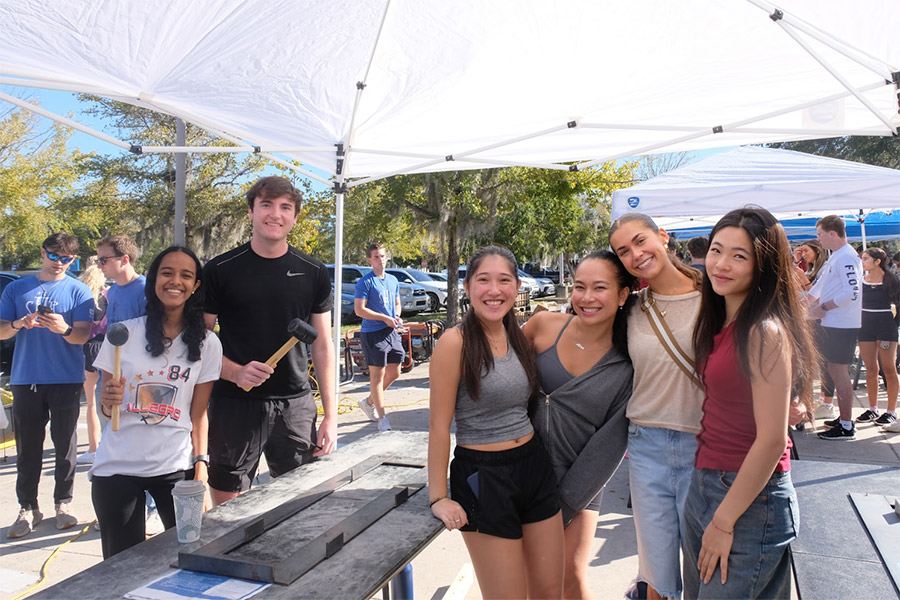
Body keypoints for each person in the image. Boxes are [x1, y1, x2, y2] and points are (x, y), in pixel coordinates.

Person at [683, 207, 816, 598]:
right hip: (705, 483)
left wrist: (724, 521)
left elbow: (772, 440)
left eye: (739, 256)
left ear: (763, 265)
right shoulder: (719, 322)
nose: (721, 264)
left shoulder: (764, 331)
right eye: (716, 250)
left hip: (749, 500)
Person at [427, 245, 564, 599]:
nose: (494, 290)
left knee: (550, 591)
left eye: (504, 280)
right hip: (483, 478)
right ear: (469, 286)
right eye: (483, 280)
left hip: (534, 467)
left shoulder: (519, 336)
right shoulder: (454, 343)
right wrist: (438, 496)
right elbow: (439, 426)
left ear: (516, 287)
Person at [203, 175, 337, 507]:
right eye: (266, 205)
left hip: (295, 404)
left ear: (294, 216)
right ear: (251, 211)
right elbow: (197, 340)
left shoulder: (314, 271)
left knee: (299, 504)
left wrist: (332, 415)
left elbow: (322, 344)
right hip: (234, 404)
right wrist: (234, 372)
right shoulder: (220, 269)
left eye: (284, 207)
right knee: (229, 507)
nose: (274, 214)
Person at [91, 246, 222, 558]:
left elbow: (198, 414)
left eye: (185, 275)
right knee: (121, 570)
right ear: (154, 279)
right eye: (167, 272)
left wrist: (201, 467)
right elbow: (106, 411)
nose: (175, 281)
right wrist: (108, 402)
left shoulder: (208, 344)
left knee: (189, 560)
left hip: (175, 468)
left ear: (195, 286)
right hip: (116, 469)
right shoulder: (122, 334)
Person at [523, 250, 634, 599]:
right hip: (518, 475)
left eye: (599, 288)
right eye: (579, 286)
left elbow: (610, 446)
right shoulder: (543, 327)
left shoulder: (629, 363)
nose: (587, 298)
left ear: (622, 295)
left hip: (579, 485)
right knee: (524, 579)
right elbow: (501, 375)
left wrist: (560, 511)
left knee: (568, 574)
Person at [609, 213, 704, 600]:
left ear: (662, 236)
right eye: (624, 251)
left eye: (640, 240)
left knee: (706, 568)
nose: (635, 254)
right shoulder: (630, 309)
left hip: (706, 445)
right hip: (646, 444)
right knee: (658, 575)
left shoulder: (716, 295)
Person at [0, 233, 94, 538]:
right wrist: (18, 324)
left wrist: (63, 328)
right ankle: (28, 507)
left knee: (65, 446)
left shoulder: (80, 291)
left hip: (66, 378)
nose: (59, 263)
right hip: (26, 377)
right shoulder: (16, 288)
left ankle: (62, 504)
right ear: (43, 253)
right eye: (54, 256)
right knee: (28, 448)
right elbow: (1, 331)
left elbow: (83, 335)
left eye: (67, 259)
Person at [808, 215, 862, 440]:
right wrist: (806, 300)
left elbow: (852, 292)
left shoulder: (847, 256)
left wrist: (824, 307)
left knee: (839, 372)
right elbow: (821, 285)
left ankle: (847, 425)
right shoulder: (838, 256)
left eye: (820, 234)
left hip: (842, 323)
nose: (818, 240)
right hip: (834, 322)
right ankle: (843, 418)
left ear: (832, 233)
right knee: (832, 369)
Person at [354, 242, 405, 432]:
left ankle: (368, 401)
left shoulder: (392, 280)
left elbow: (397, 304)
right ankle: (382, 418)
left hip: (391, 332)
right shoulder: (365, 282)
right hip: (373, 333)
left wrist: (396, 316)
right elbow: (359, 310)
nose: (380, 259)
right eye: (376, 256)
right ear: (369, 260)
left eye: (382, 256)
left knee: (396, 371)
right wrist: (383, 318)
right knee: (378, 375)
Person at [852, 247, 899, 428]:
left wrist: (893, 325)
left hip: (886, 326)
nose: (862, 262)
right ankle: (873, 408)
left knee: (889, 369)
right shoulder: (861, 280)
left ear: (877, 261)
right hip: (866, 327)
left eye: (866, 259)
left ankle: (891, 411)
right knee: (871, 368)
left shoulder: (891, 280)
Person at [76, 258, 109, 464]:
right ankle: (106, 444)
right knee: (106, 400)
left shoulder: (83, 297)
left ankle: (93, 447)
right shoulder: (109, 296)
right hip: (105, 346)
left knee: (90, 403)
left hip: (87, 347)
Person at [98, 235, 146, 325]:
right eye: (98, 261)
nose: (99, 266)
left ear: (124, 260)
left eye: (103, 260)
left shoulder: (146, 290)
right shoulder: (112, 291)